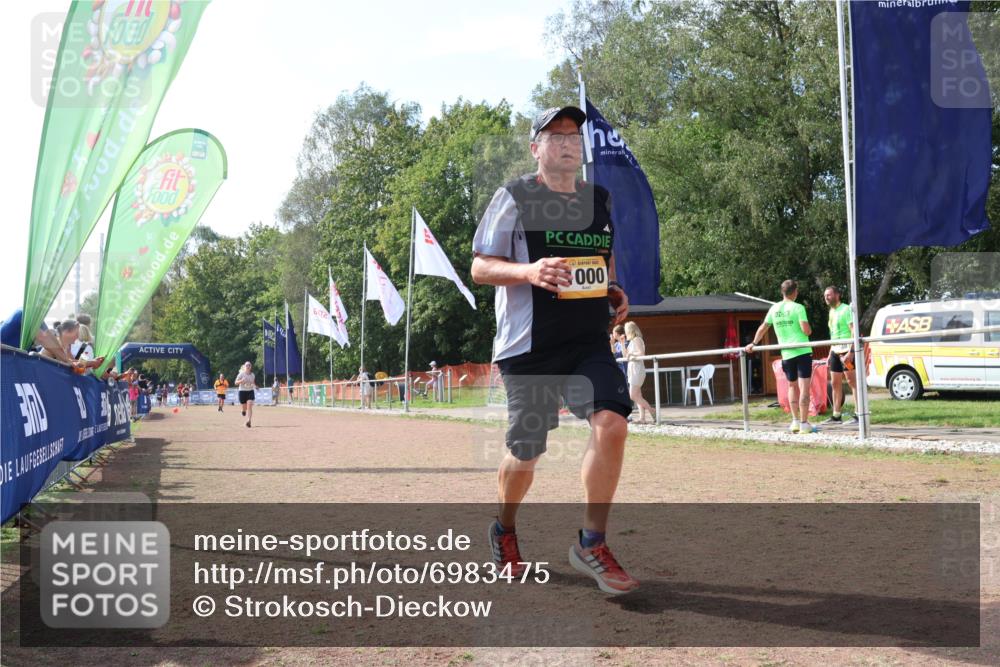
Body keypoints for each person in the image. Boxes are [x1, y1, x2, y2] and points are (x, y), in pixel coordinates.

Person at [471, 105, 637, 595]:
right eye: (555, 135)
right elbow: (481, 267)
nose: (568, 142)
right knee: (527, 451)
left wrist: (611, 288)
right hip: (529, 348)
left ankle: (591, 542)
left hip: (588, 341)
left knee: (613, 424)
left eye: (573, 135)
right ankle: (503, 528)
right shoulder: (515, 196)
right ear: (535, 148)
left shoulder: (598, 199)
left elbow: (600, 262)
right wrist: (528, 272)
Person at [746, 279, 817, 434]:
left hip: (786, 353)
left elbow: (764, 327)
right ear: (795, 292)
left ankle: (795, 421)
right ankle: (804, 423)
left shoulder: (774, 308)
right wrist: (809, 329)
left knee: (792, 386)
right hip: (802, 351)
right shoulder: (798, 307)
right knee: (804, 387)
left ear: (782, 292)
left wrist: (753, 343)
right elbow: (806, 331)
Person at [823, 285, 859, 426]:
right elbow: (833, 335)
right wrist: (829, 353)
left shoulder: (845, 309)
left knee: (852, 382)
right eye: (825, 295)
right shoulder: (831, 312)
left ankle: (858, 414)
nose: (826, 298)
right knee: (835, 383)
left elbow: (853, 330)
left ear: (837, 295)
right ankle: (836, 415)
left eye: (829, 295)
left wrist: (851, 351)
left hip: (846, 352)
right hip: (835, 352)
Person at [623, 322, 655, 424]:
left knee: (632, 395)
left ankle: (651, 409)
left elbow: (641, 353)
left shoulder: (637, 339)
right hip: (633, 369)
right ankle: (642, 418)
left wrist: (632, 354)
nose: (625, 332)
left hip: (637, 369)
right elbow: (625, 356)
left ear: (630, 330)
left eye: (626, 330)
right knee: (638, 395)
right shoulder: (631, 341)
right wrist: (622, 342)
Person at [235, 362, 257, 428]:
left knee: (249, 405)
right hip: (242, 391)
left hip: (250, 391)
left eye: (249, 365)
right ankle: (243, 410)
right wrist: (241, 380)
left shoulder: (253, 375)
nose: (248, 366)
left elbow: (253, 382)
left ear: (251, 367)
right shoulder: (241, 374)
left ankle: (249, 421)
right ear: (245, 366)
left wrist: (255, 386)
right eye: (247, 365)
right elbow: (236, 382)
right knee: (244, 408)